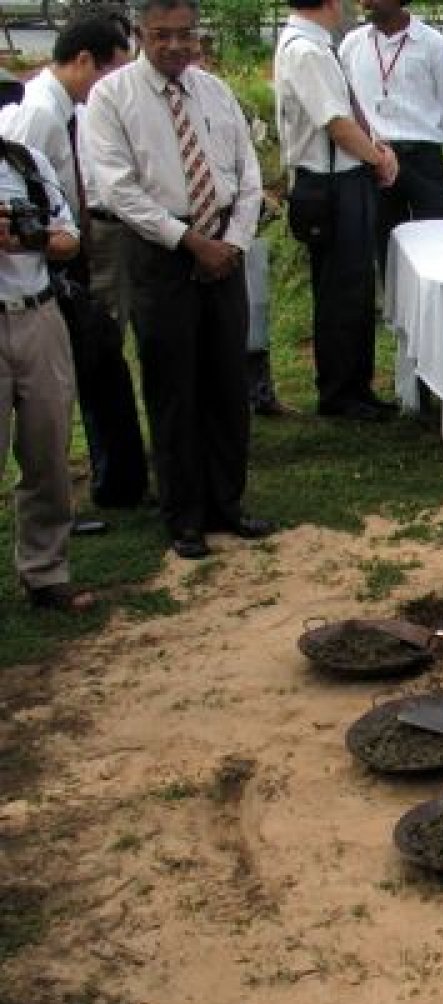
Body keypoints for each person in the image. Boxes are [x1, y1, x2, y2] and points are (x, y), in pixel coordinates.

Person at [84, 0, 273, 561]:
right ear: (141, 34)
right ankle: (184, 516)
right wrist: (190, 242)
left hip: (224, 250)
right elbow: (119, 189)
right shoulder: (111, 97)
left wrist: (232, 242)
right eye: (161, 35)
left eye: (184, 34)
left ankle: (226, 503)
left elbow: (247, 173)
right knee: (173, 388)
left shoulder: (214, 91)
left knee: (226, 383)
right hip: (161, 252)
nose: (175, 46)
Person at [0, 13, 147, 518]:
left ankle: (114, 481)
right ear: (84, 61)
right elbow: (25, 197)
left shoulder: (66, 108)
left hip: (69, 249)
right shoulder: (38, 116)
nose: (116, 86)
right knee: (88, 367)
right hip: (39, 272)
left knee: (95, 363)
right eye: (113, 72)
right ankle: (107, 480)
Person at [274, 0, 400, 423]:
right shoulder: (306, 50)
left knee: (354, 287)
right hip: (330, 183)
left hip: (341, 178)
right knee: (340, 291)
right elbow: (337, 124)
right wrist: (377, 159)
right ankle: (341, 391)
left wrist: (376, 148)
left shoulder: (317, 44)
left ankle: (356, 385)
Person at [0, 133, 93, 611]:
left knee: (48, 447)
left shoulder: (25, 163)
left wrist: (25, 237)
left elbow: (69, 240)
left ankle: (45, 571)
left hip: (38, 313)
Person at [340, 0, 443, 277]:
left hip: (423, 159)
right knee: (386, 249)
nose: (365, 2)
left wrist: (429, 140)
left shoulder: (432, 44)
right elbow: (346, 106)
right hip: (376, 159)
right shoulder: (352, 45)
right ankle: (394, 305)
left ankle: (436, 303)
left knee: (438, 245)